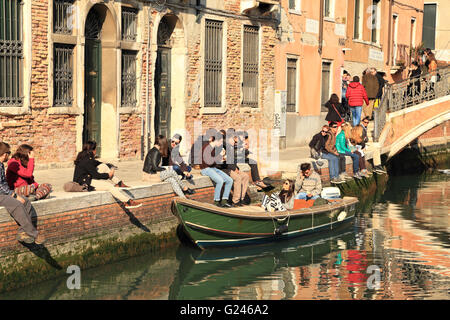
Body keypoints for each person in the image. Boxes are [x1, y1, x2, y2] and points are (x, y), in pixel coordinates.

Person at [74, 141, 142, 209]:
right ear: (92, 150)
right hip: (84, 183)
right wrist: (108, 175)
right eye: (95, 149)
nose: (96, 151)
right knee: (110, 186)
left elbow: (96, 163)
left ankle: (119, 183)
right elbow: (96, 175)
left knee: (103, 166)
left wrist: (108, 165)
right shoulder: (87, 160)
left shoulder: (85, 156)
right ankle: (127, 202)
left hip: (87, 178)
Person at [0, 142, 45, 244]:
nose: (9, 155)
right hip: (1, 194)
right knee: (17, 204)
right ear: (4, 154)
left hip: (3, 193)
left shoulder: (1, 165)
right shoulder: (10, 163)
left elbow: (3, 185)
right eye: (8, 152)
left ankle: (22, 233)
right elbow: (0, 186)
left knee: (26, 201)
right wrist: (14, 195)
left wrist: (13, 194)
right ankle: (35, 234)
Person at [200, 129, 234, 208]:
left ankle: (224, 200)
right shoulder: (206, 148)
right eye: (221, 142)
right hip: (206, 169)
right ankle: (216, 201)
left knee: (229, 180)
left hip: (213, 168)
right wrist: (220, 156)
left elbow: (214, 162)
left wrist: (222, 158)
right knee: (220, 181)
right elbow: (208, 162)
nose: (222, 144)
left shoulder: (214, 148)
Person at [222, 129, 249, 207]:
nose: (235, 141)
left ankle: (242, 198)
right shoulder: (224, 146)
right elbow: (226, 162)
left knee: (245, 176)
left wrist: (236, 168)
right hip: (225, 169)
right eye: (234, 139)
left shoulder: (232, 147)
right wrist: (234, 169)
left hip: (232, 168)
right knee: (238, 178)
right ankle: (235, 201)